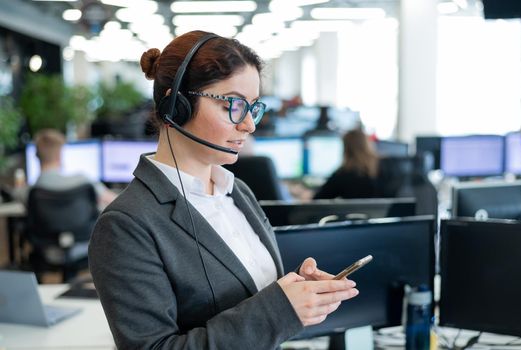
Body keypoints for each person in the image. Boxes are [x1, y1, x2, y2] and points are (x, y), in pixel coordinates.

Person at [88, 30, 360, 350]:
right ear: (177, 104)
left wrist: (297, 292)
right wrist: (280, 310)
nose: (249, 125)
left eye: (253, 107)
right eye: (233, 104)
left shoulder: (237, 192)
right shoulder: (126, 224)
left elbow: (249, 301)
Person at [30, 129, 117, 207]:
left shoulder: (30, 191)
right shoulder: (83, 181)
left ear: (36, 156)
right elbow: (116, 202)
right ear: (59, 156)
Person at [313, 128, 379, 199]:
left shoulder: (342, 174)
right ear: (368, 144)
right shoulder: (388, 166)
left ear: (346, 148)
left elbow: (319, 199)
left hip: (354, 210)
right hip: (382, 210)